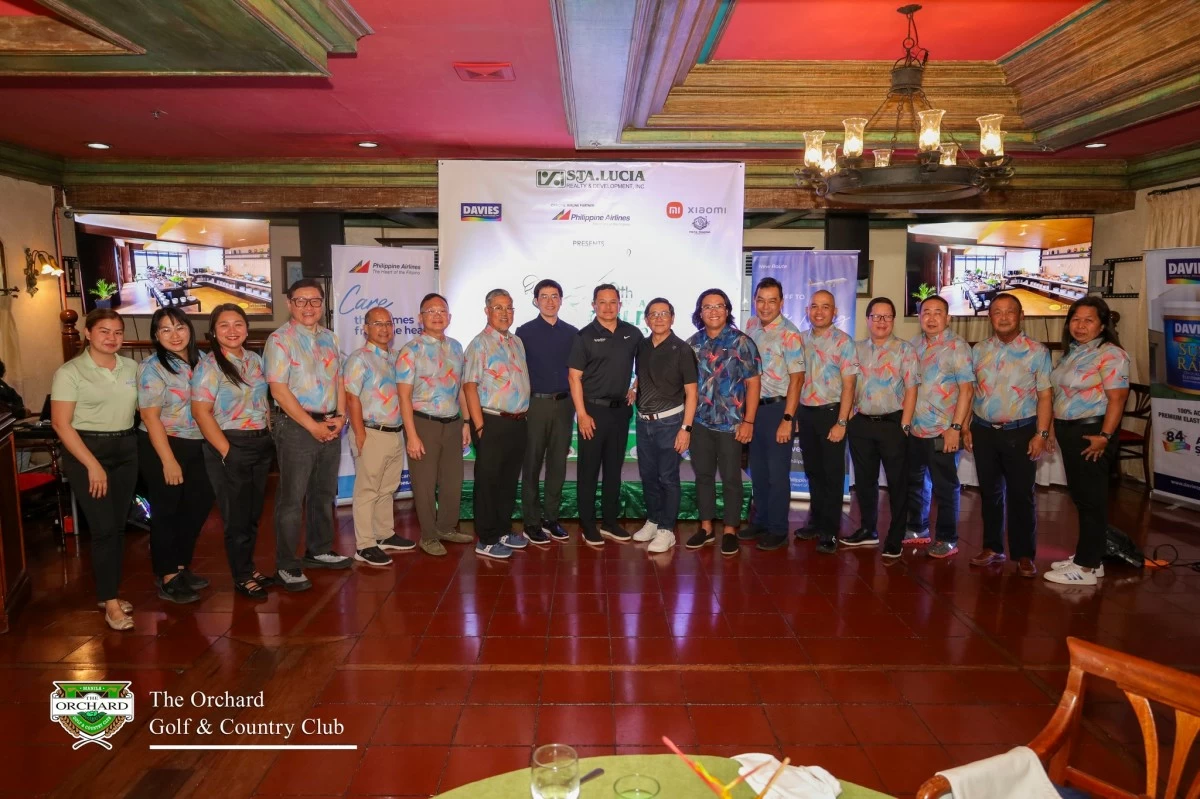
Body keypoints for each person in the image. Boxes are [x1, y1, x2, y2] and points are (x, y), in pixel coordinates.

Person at [51, 309, 139, 630]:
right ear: (88, 333)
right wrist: (92, 465)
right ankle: (111, 604)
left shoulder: (131, 367)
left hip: (126, 449)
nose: (112, 338)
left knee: (117, 528)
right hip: (87, 452)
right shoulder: (70, 372)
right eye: (104, 331)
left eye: (117, 332)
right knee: (102, 530)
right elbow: (61, 424)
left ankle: (108, 592)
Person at [265, 278, 350, 592]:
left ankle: (319, 549)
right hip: (296, 427)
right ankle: (287, 565)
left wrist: (341, 416)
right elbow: (279, 390)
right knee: (291, 499)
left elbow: (339, 379)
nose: (308, 307)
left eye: (315, 301)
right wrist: (311, 425)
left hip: (329, 423)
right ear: (290, 304)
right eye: (301, 301)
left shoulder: (330, 337)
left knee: (323, 493)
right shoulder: (280, 340)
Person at [192, 304, 276, 599]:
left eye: (238, 324)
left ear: (246, 328)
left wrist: (269, 434)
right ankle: (241, 576)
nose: (232, 330)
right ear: (214, 332)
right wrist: (228, 452)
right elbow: (201, 412)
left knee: (252, 513)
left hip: (260, 443)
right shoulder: (209, 365)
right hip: (228, 444)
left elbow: (264, 401)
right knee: (236, 516)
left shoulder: (254, 360)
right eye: (224, 325)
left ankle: (248, 566)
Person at [965, 293, 1052, 577]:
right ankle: (992, 547)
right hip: (984, 431)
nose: (1003, 317)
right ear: (990, 317)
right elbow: (971, 392)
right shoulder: (978, 350)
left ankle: (1024, 554)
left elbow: (1045, 396)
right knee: (989, 493)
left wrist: (1041, 433)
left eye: (1009, 312)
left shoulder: (1037, 351)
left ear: (1020, 315)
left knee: (1021, 495)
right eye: (997, 312)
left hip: (1021, 432)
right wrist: (966, 426)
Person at [1045, 297, 1129, 587]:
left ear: (1103, 325)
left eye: (1088, 320)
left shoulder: (1111, 354)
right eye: (1075, 320)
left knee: (1092, 499)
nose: (1080, 326)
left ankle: (1086, 566)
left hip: (1093, 432)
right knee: (1081, 497)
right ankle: (1091, 557)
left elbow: (1118, 399)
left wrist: (1104, 437)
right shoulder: (1075, 352)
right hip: (1070, 430)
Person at [136, 307, 214, 604]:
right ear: (156, 335)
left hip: (199, 443)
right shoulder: (152, 367)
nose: (174, 334)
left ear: (190, 329)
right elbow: (150, 417)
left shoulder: (204, 361)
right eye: (165, 329)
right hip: (163, 444)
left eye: (180, 327)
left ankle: (181, 566)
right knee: (167, 511)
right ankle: (168, 575)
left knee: (197, 507)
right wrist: (168, 460)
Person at [685, 288, 761, 557]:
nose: (713, 311)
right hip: (700, 424)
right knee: (703, 477)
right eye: (707, 307)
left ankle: (730, 530)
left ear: (727, 311)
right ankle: (706, 528)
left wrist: (748, 421)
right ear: (700, 312)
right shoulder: (692, 343)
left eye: (719, 306)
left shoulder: (742, 343)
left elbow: (753, 385)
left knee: (731, 479)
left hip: (732, 426)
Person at [396, 293, 473, 557]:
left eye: (442, 311)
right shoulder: (411, 350)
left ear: (449, 317)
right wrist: (412, 435)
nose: (437, 315)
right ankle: (428, 536)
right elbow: (403, 396)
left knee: (453, 480)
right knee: (425, 484)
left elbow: (461, 388)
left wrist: (466, 422)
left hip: (452, 423)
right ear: (420, 318)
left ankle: (446, 527)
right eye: (431, 311)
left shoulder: (456, 347)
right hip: (423, 423)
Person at [568, 284, 643, 547]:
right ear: (593, 305)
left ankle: (610, 522)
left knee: (614, 469)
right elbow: (574, 377)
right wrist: (582, 414)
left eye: (613, 302)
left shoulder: (632, 334)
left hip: (621, 411)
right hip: (593, 411)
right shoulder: (584, 336)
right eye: (602, 302)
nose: (608, 307)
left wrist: (635, 386)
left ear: (620, 305)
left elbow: (645, 364)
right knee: (588, 471)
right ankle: (588, 524)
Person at [844, 297, 917, 558]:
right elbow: (849, 384)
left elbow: (911, 388)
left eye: (887, 316)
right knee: (865, 482)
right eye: (876, 316)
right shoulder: (855, 349)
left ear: (894, 320)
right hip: (861, 424)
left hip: (893, 425)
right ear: (867, 320)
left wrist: (905, 425)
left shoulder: (905, 350)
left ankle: (895, 537)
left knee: (897, 484)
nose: (881, 321)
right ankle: (868, 530)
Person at [463, 288, 532, 560]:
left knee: (506, 482)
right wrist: (480, 427)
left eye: (509, 308)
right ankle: (487, 539)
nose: (505, 313)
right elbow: (469, 387)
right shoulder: (479, 344)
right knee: (488, 482)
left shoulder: (516, 342)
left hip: (517, 423)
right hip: (491, 422)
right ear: (487, 311)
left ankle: (503, 530)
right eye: (499, 308)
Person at [344, 306, 415, 567]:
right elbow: (351, 397)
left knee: (387, 488)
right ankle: (364, 545)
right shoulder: (358, 359)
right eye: (377, 323)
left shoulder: (396, 357)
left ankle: (384, 534)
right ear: (366, 328)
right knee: (367, 490)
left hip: (395, 432)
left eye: (388, 323)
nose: (384, 329)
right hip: (371, 431)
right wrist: (360, 433)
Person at [906, 295, 974, 559]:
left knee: (945, 487)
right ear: (920, 317)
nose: (931, 318)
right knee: (916, 483)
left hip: (943, 431)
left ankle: (947, 538)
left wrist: (956, 428)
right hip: (915, 429)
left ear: (948, 318)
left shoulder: (957, 347)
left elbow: (967, 391)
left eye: (938, 313)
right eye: (926, 313)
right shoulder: (914, 345)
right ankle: (917, 528)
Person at [741, 277, 805, 552]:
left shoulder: (790, 334)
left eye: (772, 301)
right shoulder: (751, 326)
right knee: (758, 470)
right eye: (760, 300)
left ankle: (778, 529)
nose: (765, 306)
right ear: (755, 301)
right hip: (754, 409)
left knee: (777, 474)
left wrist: (788, 419)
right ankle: (762, 520)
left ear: (781, 302)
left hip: (778, 409)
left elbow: (798, 379)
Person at [793, 289, 859, 555]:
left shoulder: (844, 343)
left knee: (832, 476)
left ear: (835, 312)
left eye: (826, 307)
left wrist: (841, 422)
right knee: (813, 472)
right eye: (814, 306)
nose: (819, 311)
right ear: (808, 311)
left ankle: (830, 532)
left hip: (832, 414)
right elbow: (796, 380)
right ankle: (816, 523)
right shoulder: (800, 340)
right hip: (806, 414)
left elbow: (849, 385)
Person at [631, 297, 698, 554]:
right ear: (646, 319)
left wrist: (686, 428)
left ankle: (667, 530)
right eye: (653, 314)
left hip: (671, 423)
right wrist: (633, 389)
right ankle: (653, 520)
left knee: (668, 477)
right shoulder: (642, 346)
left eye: (664, 313)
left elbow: (692, 393)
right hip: (643, 421)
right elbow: (643, 376)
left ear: (672, 317)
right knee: (648, 476)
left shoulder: (682, 349)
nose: (659, 318)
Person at [516, 279, 578, 545]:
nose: (550, 301)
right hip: (535, 404)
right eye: (544, 296)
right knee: (531, 464)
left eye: (555, 296)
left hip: (565, 405)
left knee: (557, 464)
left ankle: (551, 518)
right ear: (535, 301)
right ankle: (531, 522)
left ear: (561, 300)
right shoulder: (524, 332)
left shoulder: (573, 333)